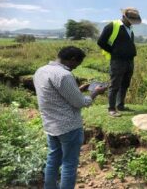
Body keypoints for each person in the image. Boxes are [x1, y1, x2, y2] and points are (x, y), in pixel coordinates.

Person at [33, 46, 107, 189]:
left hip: (50, 125)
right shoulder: (64, 75)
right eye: (77, 64)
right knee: (69, 163)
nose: (76, 67)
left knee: (53, 160)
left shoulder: (40, 71)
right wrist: (95, 93)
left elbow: (54, 95)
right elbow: (80, 103)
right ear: (72, 59)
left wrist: (78, 90)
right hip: (69, 127)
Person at [97, 7, 141, 117]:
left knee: (125, 84)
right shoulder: (112, 25)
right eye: (130, 19)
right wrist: (114, 51)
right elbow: (101, 41)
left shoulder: (130, 28)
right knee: (115, 84)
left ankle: (120, 105)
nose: (132, 22)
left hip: (129, 60)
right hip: (117, 61)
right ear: (123, 17)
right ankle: (111, 108)